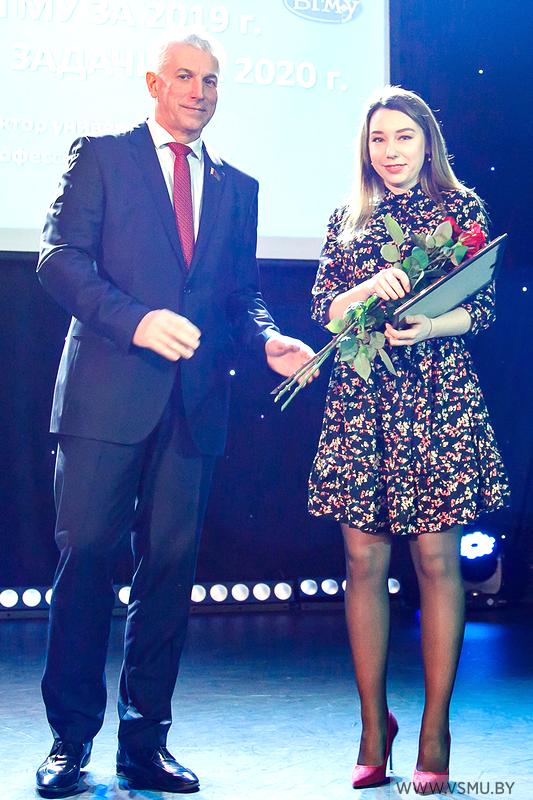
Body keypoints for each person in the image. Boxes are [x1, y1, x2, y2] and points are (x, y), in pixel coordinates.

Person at [35, 33, 315, 796]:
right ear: (153, 83)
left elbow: (239, 294)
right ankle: (69, 742)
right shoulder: (102, 156)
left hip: (194, 409)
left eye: (211, 81)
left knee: (167, 575)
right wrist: (135, 321)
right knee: (87, 563)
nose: (198, 91)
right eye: (185, 77)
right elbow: (59, 259)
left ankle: (145, 743)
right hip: (105, 399)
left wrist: (266, 338)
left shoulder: (236, 186)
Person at [308, 86, 510, 793]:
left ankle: (434, 730)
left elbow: (482, 308)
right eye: (378, 139)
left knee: (434, 559)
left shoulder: (461, 209)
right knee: (362, 561)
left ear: (428, 143)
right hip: (362, 400)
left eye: (403, 137)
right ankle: (372, 727)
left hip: (435, 399)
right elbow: (325, 310)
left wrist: (429, 325)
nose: (390, 151)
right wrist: (365, 289)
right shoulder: (347, 218)